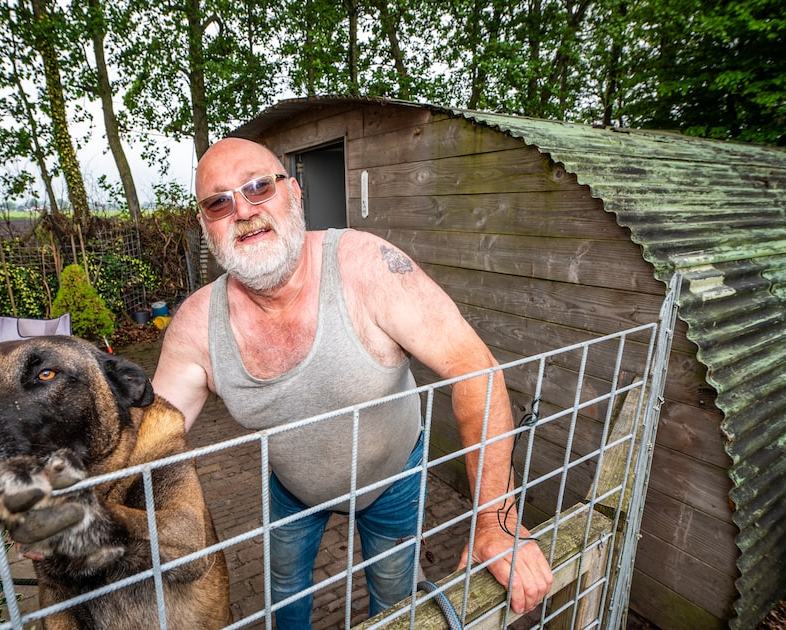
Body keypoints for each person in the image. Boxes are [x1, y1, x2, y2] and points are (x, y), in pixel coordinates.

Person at [152, 137, 553, 627]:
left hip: (393, 477)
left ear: (294, 193)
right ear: (205, 224)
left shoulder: (368, 267)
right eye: (219, 201)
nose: (243, 209)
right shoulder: (197, 327)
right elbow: (146, 439)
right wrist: (70, 496)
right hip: (293, 487)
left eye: (259, 187)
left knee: (392, 592)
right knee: (284, 591)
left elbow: (477, 370)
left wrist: (495, 519)